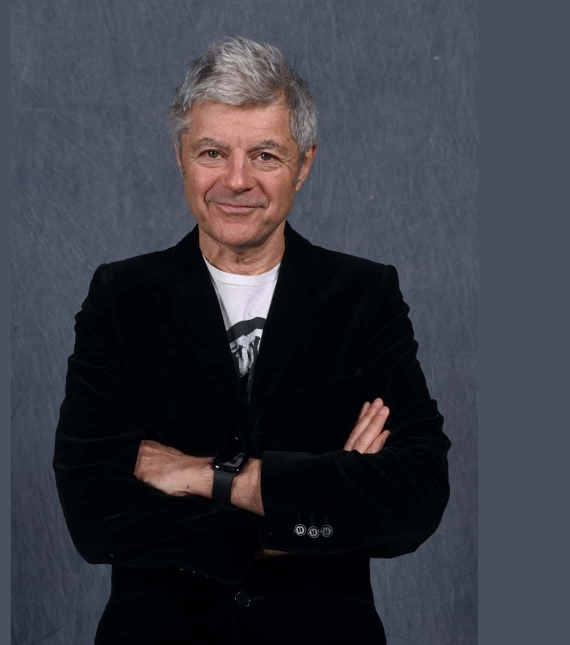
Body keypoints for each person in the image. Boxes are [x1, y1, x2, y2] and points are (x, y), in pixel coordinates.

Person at [52, 36, 451, 645]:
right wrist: (318, 499)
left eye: (265, 155)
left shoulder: (364, 296)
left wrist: (209, 477)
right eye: (213, 151)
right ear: (181, 155)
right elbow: (94, 512)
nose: (236, 181)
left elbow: (416, 498)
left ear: (305, 163)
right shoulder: (121, 297)